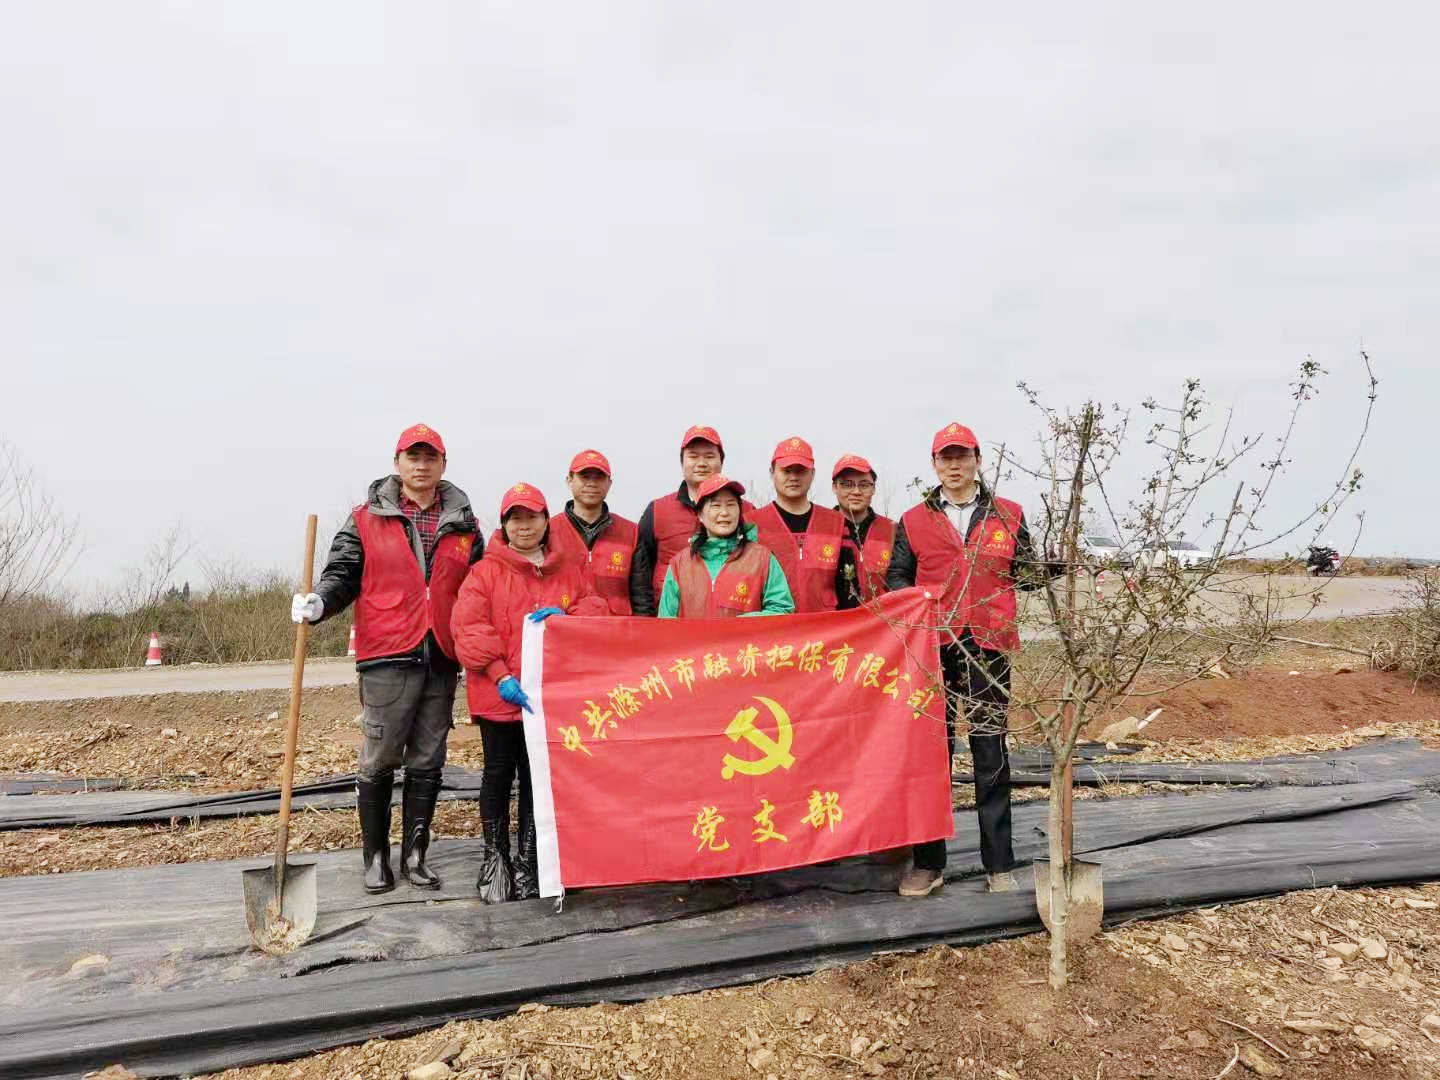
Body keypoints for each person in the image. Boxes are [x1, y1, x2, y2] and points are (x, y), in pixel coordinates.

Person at [291, 423, 480, 895]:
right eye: (413, 457)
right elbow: (342, 573)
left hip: (442, 655)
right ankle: (375, 857)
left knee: (428, 758)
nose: (422, 465)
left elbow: (480, 586)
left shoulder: (465, 525)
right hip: (387, 655)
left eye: (430, 457)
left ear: (443, 464)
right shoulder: (365, 519)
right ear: (397, 463)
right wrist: (320, 602)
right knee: (379, 758)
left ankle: (415, 856)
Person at [885, 422, 1046, 898]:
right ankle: (928, 863)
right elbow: (897, 577)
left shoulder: (1008, 515)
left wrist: (1052, 565)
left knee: (990, 751)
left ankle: (998, 863)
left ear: (977, 460)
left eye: (962, 456)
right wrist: (919, 601)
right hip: (932, 648)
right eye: (945, 457)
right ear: (934, 464)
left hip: (988, 645)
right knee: (931, 752)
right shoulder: (913, 519)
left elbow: (1027, 575)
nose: (954, 465)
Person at [451, 482, 607, 902]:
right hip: (499, 695)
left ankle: (531, 861)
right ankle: (495, 858)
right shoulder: (484, 572)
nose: (524, 526)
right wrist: (499, 674)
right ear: (504, 524)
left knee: (538, 778)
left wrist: (568, 615)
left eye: (532, 517)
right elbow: (469, 627)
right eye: (515, 518)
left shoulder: (568, 569)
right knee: (498, 775)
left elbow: (596, 608)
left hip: (547, 698)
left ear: (545, 521)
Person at [629, 425, 752, 616]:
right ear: (682, 462)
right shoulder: (658, 511)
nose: (701, 463)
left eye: (709, 456)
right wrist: (646, 619)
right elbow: (640, 574)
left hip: (731, 621)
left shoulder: (747, 511)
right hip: (671, 622)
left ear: (721, 462)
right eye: (693, 456)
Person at [657, 476, 794, 618]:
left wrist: (739, 625)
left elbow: (782, 609)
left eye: (731, 505)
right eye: (715, 505)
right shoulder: (679, 565)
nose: (724, 512)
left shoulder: (762, 559)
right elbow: (666, 621)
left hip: (745, 634)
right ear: (700, 515)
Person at [750, 437, 845, 613]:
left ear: (813, 474)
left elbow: (847, 588)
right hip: (774, 625)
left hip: (825, 626)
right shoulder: (751, 523)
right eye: (786, 471)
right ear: (772, 472)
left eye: (800, 471)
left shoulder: (835, 522)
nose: (793, 477)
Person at [549, 449, 638, 615]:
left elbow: (641, 596)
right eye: (584, 476)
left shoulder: (632, 532)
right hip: (565, 626)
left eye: (599, 477)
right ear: (569, 480)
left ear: (609, 483)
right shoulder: (548, 531)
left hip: (616, 627)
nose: (591, 483)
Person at [831, 453, 895, 610]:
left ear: (873, 489)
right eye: (847, 484)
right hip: (833, 621)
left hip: (882, 619)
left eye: (864, 485)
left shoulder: (892, 530)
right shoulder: (822, 528)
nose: (856, 491)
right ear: (834, 487)